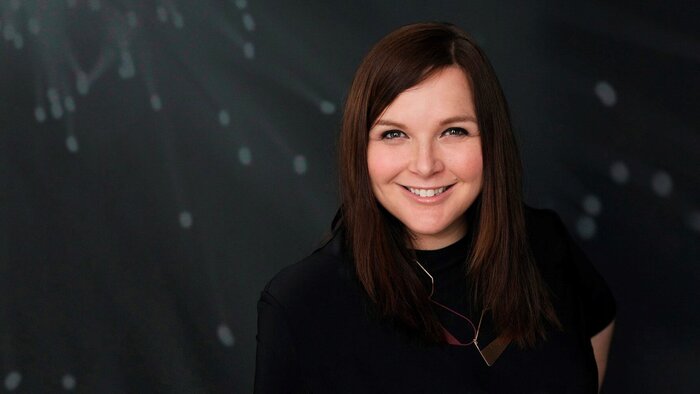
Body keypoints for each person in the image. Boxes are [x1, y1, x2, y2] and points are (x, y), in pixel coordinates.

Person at [254, 22, 615, 393]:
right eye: (394, 134)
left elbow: (598, 328)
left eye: (453, 131)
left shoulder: (543, 241)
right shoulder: (300, 304)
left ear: (491, 141)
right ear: (360, 149)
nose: (425, 165)